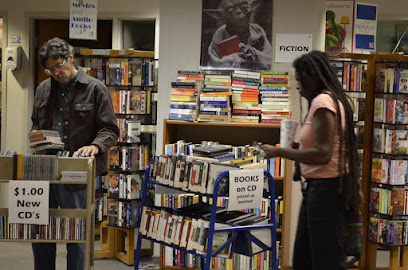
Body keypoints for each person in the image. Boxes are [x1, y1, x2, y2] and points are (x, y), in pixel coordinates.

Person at [258, 51, 361, 269]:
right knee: (305, 258)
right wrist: (299, 148)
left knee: (325, 261)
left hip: (326, 192)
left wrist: (279, 152)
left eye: (299, 78)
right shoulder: (328, 99)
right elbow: (325, 145)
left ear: (312, 76)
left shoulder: (323, 102)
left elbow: (323, 154)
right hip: (320, 190)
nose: (297, 85)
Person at [31, 37, 119, 270]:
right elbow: (35, 124)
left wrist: (96, 146)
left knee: (76, 235)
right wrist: (36, 138)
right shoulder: (43, 89)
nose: (55, 72)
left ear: (71, 57)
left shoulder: (95, 88)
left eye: (58, 65)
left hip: (76, 173)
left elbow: (110, 130)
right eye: (49, 69)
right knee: (41, 233)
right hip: (45, 170)